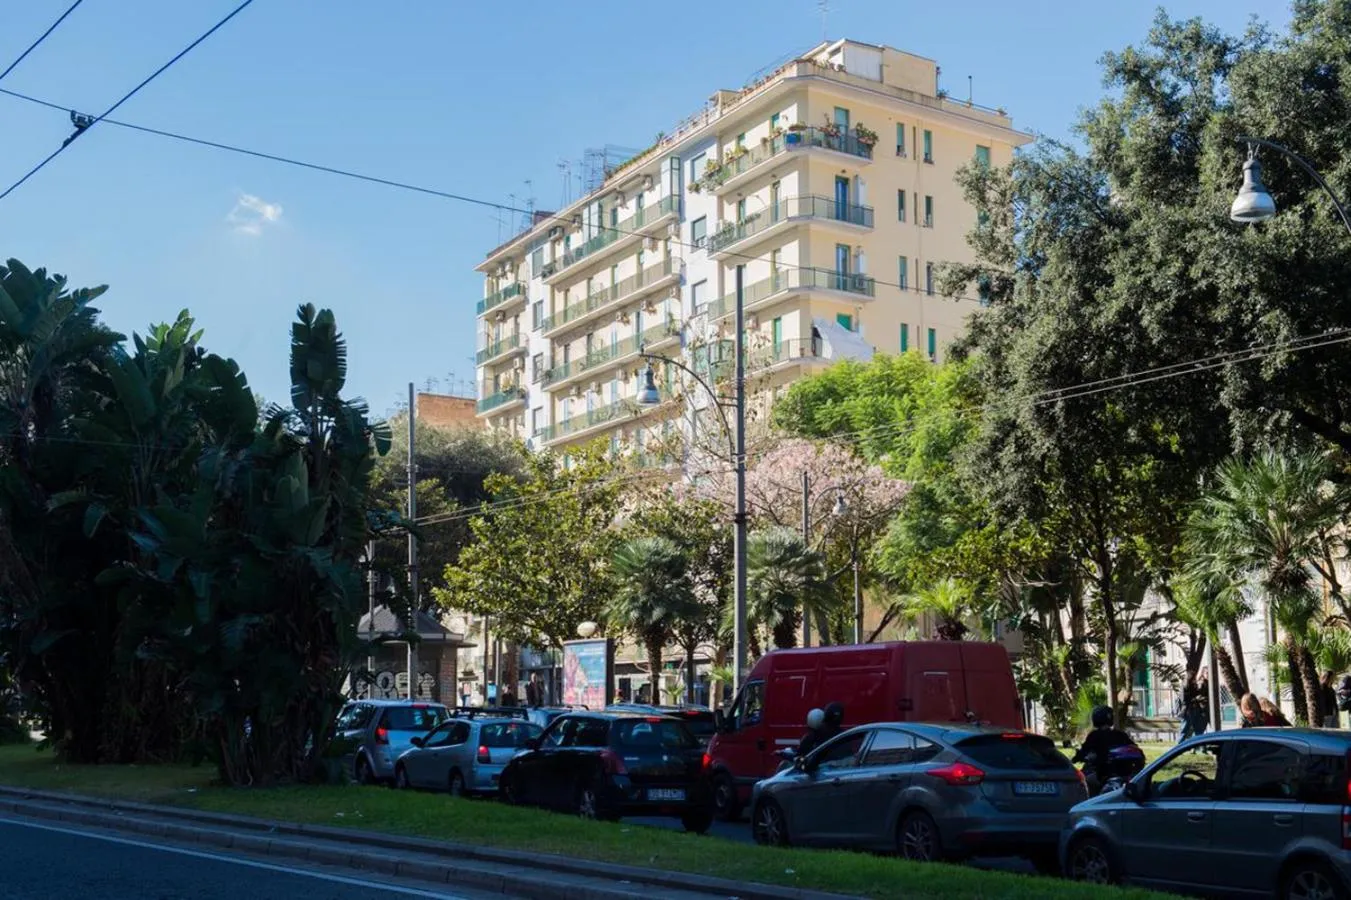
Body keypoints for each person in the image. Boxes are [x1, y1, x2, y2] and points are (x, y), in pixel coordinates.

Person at [1072, 705, 1135, 794]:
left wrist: (1077, 757)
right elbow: (1134, 749)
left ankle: (1088, 802)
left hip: (1103, 773)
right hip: (1122, 773)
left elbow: (1084, 751)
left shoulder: (1094, 736)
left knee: (1082, 782)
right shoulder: (1120, 735)